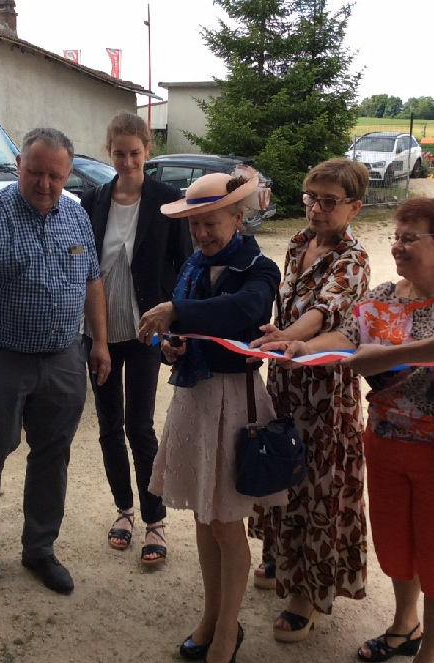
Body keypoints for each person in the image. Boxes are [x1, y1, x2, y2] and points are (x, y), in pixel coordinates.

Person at [266, 197, 434, 663]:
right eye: (396, 237)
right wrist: (300, 344)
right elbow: (346, 336)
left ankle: (429, 654)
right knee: (399, 550)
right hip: (387, 448)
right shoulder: (384, 296)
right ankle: (405, 625)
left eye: (410, 238)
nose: (397, 247)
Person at [0, 127, 110, 595]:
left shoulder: (76, 217)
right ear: (19, 164)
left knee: (53, 453)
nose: (44, 184)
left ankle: (40, 548)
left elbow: (93, 283)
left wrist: (99, 342)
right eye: (35, 172)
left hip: (62, 357)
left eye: (55, 176)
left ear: (68, 174)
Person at [138, 168, 282, 663]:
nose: (202, 234)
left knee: (226, 525)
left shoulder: (260, 270)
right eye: (195, 225)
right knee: (204, 518)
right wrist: (170, 347)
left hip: (234, 403)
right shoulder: (193, 268)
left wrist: (177, 315)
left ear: (238, 218)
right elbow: (173, 334)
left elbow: (237, 311)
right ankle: (211, 616)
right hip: (195, 400)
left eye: (211, 222)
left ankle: (227, 630)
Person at [248, 158, 371, 641]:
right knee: (281, 471)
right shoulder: (299, 242)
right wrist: (277, 339)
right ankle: (281, 559)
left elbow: (323, 316)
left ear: (354, 208)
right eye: (310, 198)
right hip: (285, 383)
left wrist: (285, 338)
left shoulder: (354, 259)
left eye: (328, 202)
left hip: (324, 393)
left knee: (316, 484)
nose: (316, 209)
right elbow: (287, 305)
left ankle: (307, 593)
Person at [79, 111, 192, 563]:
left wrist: (175, 326)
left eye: (135, 153)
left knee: (140, 427)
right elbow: (84, 267)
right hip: (100, 331)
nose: (127, 161)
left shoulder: (167, 200)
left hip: (146, 329)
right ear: (109, 152)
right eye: (120, 153)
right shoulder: (93, 200)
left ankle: (154, 520)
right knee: (109, 427)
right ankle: (123, 510)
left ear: (148, 152)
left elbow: (183, 268)